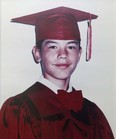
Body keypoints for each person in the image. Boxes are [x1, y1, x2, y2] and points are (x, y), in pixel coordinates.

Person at [0, 6, 114, 139]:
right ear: (37, 53)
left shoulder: (93, 112)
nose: (63, 55)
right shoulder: (20, 109)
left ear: (79, 54)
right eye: (53, 47)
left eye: (71, 47)